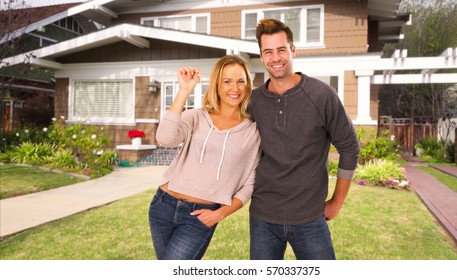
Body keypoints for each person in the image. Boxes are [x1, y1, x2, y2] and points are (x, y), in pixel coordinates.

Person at [248, 19, 361, 260]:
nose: (276, 58)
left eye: (282, 50)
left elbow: (350, 147)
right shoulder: (254, 101)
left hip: (310, 218)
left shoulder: (321, 95)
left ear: (293, 50)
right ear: (261, 55)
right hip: (263, 217)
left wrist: (337, 202)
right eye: (268, 52)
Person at [149, 55, 261, 260]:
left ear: (248, 85)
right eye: (227, 81)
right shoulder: (197, 116)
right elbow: (165, 139)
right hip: (163, 205)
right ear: (216, 84)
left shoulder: (253, 132)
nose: (234, 88)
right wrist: (184, 91)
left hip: (201, 215)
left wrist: (220, 214)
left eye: (240, 81)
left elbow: (250, 183)